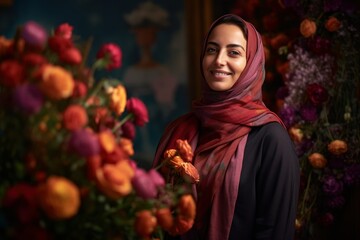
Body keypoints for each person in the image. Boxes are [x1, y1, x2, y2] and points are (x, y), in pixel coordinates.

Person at [152, 14, 300, 240]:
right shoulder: (179, 129)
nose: (219, 60)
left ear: (251, 63)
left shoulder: (270, 138)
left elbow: (275, 231)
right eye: (212, 50)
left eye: (234, 52)